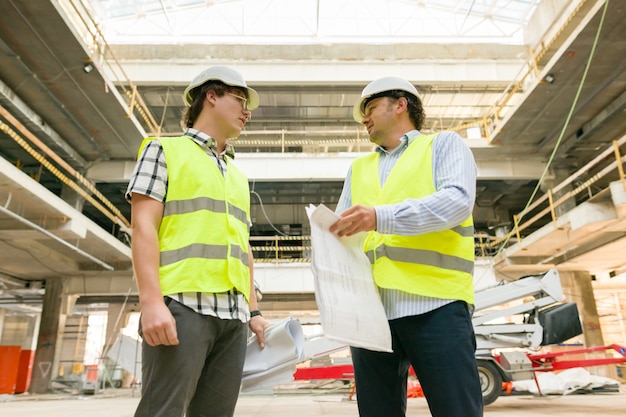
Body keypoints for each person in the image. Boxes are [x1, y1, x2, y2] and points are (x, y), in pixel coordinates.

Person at [329, 76, 483, 417]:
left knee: (456, 410)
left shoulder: (443, 146)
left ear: (400, 104)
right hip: (371, 313)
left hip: (436, 304)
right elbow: (343, 233)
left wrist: (379, 217)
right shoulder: (359, 169)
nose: (363, 119)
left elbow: (456, 202)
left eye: (369, 109)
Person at [126, 66, 270, 417]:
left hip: (233, 319)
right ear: (211, 96)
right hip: (183, 307)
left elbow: (242, 247)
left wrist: (254, 312)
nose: (247, 111)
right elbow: (143, 226)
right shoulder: (164, 151)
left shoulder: (237, 175)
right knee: (164, 410)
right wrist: (151, 303)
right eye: (240, 100)